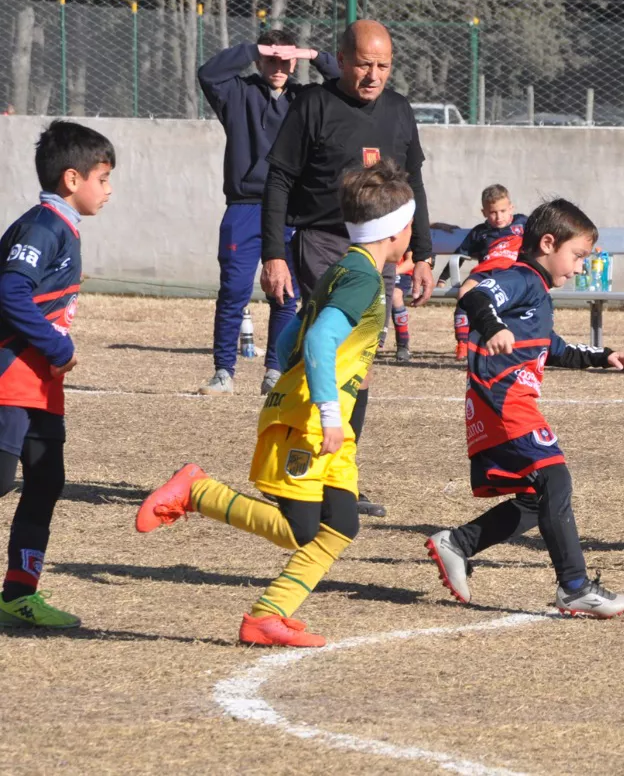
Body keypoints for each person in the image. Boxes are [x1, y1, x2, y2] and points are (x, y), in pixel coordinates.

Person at [135, 160, 414, 647]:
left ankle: (268, 616)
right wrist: (325, 408)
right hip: (312, 420)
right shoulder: (364, 280)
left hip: (327, 420)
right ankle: (197, 491)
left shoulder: (346, 268)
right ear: (396, 231)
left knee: (341, 525)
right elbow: (321, 338)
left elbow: (291, 333)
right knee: (299, 529)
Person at [425, 199, 624, 618]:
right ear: (547, 243)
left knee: (535, 495)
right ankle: (575, 587)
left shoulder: (537, 293)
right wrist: (493, 326)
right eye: (577, 256)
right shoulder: (521, 277)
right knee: (555, 479)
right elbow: (475, 295)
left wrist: (605, 355)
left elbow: (553, 348)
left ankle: (459, 543)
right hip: (502, 401)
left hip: (504, 403)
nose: (579, 268)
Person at [260, 19, 436, 517]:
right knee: (328, 358)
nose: (373, 75)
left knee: (359, 368)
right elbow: (278, 182)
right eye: (364, 64)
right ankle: (295, 471)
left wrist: (421, 252)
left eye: (383, 66)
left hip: (382, 250)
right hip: (324, 244)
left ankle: (339, 477)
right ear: (340, 59)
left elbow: (415, 186)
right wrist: (274, 251)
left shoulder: (400, 112)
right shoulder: (313, 106)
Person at [0, 121, 114, 628]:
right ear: (73, 178)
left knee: (46, 481)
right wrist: (57, 344)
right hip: (11, 381)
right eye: (104, 179)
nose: (109, 191)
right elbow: (9, 291)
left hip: (41, 385)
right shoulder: (42, 227)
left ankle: (19, 592)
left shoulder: (62, 227)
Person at [195, 29, 339, 396]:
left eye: (285, 59)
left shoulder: (306, 98)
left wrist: (312, 54)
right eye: (271, 58)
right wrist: (253, 49)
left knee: (285, 294)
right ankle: (224, 371)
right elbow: (207, 73)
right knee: (233, 291)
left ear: (294, 62)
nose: (278, 66)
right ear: (260, 59)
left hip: (290, 208)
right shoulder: (238, 94)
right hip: (243, 207)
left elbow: (341, 83)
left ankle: (275, 370)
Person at [450, 184, 526, 359]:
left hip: (511, 272)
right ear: (484, 212)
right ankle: (462, 343)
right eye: (493, 212)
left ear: (511, 208)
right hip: (485, 272)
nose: (498, 217)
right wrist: (442, 279)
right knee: (464, 292)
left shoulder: (523, 224)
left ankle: (515, 343)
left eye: (503, 211)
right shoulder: (480, 232)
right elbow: (461, 253)